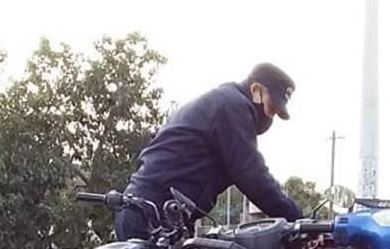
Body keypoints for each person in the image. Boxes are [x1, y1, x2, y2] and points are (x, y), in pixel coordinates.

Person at [115, 63, 302, 239]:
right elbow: (251, 174)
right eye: (271, 107)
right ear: (255, 90)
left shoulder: (221, 101)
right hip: (153, 213)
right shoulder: (233, 106)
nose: (271, 116)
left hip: (153, 210)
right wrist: (299, 220)